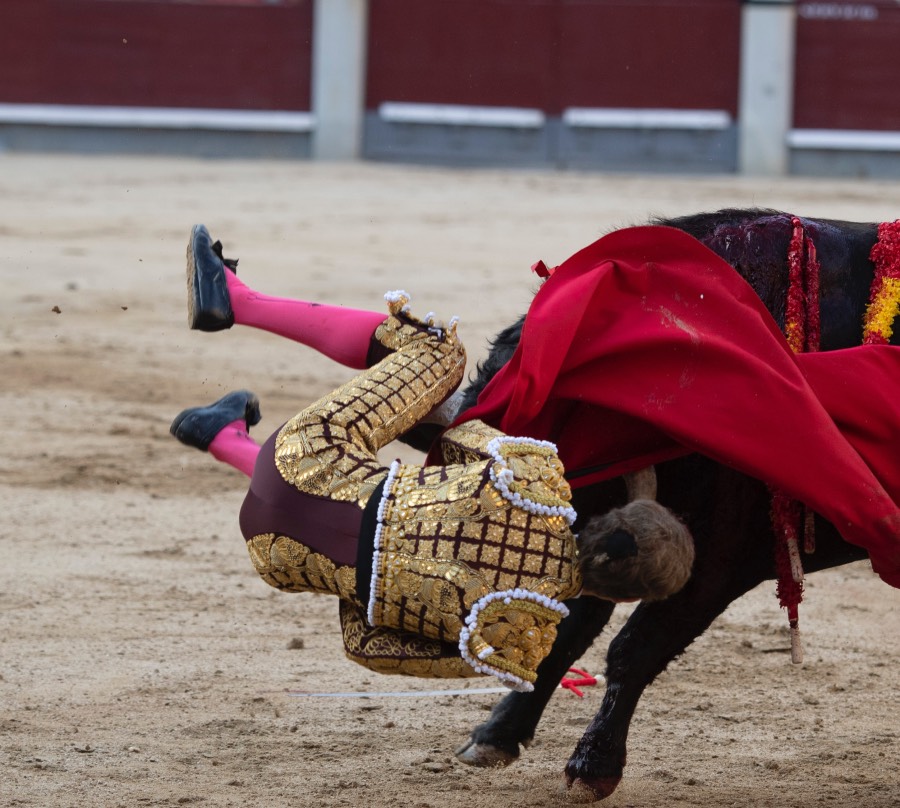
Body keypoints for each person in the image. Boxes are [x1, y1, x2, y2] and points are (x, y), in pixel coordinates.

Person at [170, 226, 695, 692]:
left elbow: (458, 430)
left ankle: (238, 301)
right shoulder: (516, 644)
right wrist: (375, 576)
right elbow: (368, 649)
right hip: (274, 555)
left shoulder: (535, 483)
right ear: (622, 601)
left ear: (607, 520)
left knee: (437, 354)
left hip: (304, 453)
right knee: (357, 555)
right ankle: (220, 435)